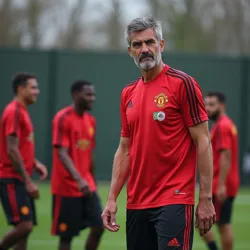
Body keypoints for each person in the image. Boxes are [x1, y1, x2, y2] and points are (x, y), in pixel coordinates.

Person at [101, 16, 215, 250]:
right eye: (137, 45)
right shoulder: (127, 94)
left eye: (150, 42)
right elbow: (124, 150)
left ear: (161, 45)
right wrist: (112, 198)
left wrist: (206, 198)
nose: (145, 49)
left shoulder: (183, 84)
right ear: (130, 51)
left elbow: (203, 141)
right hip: (137, 203)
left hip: (174, 199)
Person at [51, 80, 104, 250]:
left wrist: (92, 182)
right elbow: (62, 153)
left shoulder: (91, 120)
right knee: (67, 237)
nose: (92, 98)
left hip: (87, 186)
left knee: (99, 226)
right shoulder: (62, 118)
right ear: (76, 95)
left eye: (93, 94)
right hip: (66, 187)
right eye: (88, 94)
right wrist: (79, 180)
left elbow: (89, 155)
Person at [0, 72, 48, 250]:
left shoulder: (22, 111)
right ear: (21, 89)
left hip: (20, 178)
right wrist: (28, 182)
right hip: (12, 179)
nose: (37, 91)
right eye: (33, 87)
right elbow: (11, 148)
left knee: (25, 231)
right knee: (24, 226)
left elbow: (20, 147)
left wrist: (35, 164)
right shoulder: (14, 111)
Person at [203, 92, 240, 250]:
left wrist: (221, 185)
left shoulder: (223, 126)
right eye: (206, 104)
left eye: (212, 104)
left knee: (222, 225)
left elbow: (226, 155)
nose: (208, 108)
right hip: (221, 182)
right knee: (209, 222)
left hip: (221, 183)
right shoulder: (224, 124)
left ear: (222, 106)